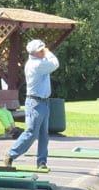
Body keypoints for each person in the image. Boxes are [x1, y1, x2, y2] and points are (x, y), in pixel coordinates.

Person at [4, 39, 59, 169]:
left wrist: (45, 52)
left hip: (43, 102)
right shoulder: (37, 64)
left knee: (43, 134)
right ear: (35, 53)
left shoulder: (39, 62)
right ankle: (11, 154)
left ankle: (41, 161)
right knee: (31, 133)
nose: (43, 51)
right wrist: (48, 52)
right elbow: (55, 63)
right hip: (35, 102)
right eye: (41, 50)